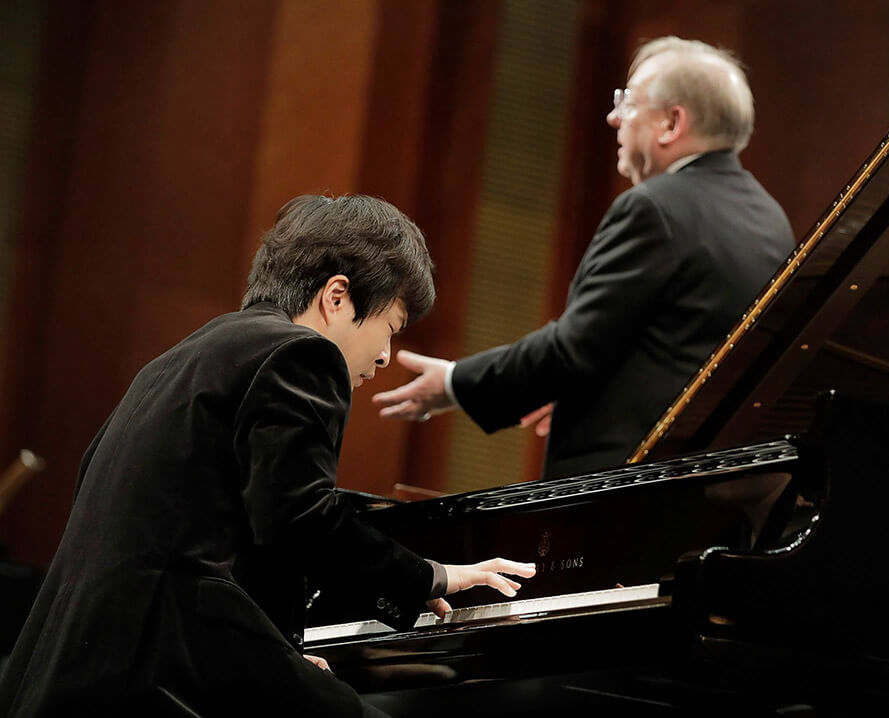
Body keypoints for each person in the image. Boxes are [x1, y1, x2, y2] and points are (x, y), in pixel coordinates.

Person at [0, 194, 535, 717]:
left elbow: (221, 529)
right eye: (389, 329)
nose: (384, 357)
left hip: (71, 666)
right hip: (162, 668)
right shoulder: (301, 355)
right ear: (337, 296)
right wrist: (431, 577)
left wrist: (278, 654)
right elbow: (299, 518)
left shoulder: (181, 359)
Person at [373, 37, 795, 478]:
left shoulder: (655, 207)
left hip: (626, 490)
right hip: (710, 481)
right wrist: (591, 394)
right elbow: (683, 347)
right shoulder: (769, 219)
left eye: (629, 102)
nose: (614, 116)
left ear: (672, 123)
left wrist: (455, 384)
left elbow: (574, 349)